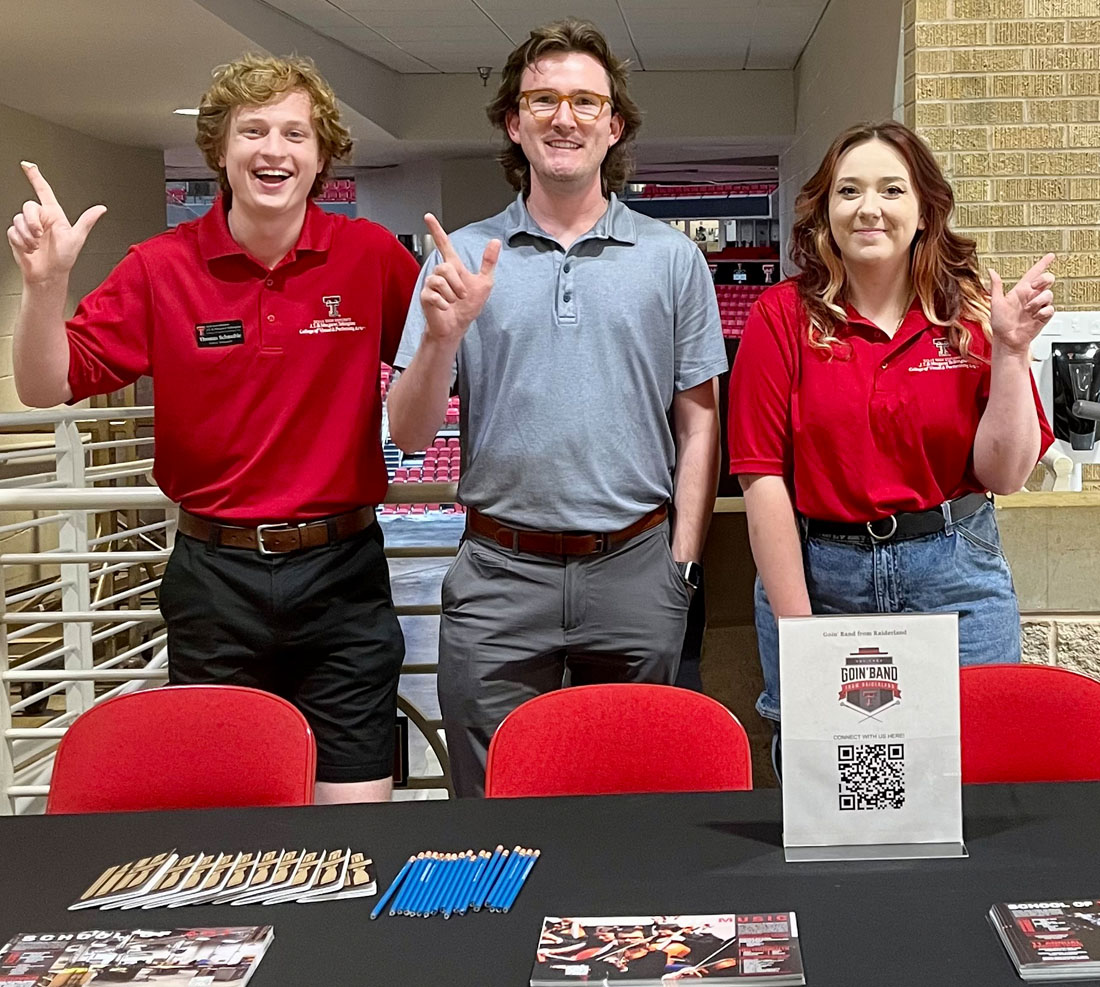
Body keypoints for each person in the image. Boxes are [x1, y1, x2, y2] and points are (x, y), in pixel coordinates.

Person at [6, 54, 420, 803]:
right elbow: (45, 384)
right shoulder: (159, 267)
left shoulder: (369, 256)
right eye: (252, 130)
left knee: (353, 817)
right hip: (213, 575)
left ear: (321, 155)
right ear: (220, 151)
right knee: (229, 819)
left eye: (295, 132)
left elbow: (432, 373)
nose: (274, 148)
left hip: (344, 573)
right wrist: (43, 290)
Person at [387, 18, 726, 797]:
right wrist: (441, 337)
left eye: (584, 101)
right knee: (492, 802)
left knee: (638, 794)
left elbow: (699, 421)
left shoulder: (673, 261)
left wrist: (683, 559)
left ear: (614, 125)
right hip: (500, 574)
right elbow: (406, 434)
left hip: (637, 567)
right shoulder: (462, 257)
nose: (563, 117)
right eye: (542, 100)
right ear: (515, 121)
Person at [727, 120, 1055, 769]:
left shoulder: (966, 316)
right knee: (836, 785)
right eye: (849, 191)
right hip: (820, 576)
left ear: (925, 210)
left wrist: (1012, 351)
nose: (869, 207)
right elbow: (762, 480)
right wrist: (802, 638)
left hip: (955, 575)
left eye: (890, 189)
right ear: (825, 210)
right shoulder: (782, 316)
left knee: (973, 777)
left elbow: (1005, 472)